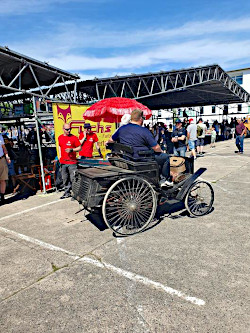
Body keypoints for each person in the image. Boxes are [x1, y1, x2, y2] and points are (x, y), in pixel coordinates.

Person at [106, 109, 173, 186]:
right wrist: (160, 151)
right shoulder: (144, 131)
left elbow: (110, 140)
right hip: (141, 158)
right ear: (141, 119)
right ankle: (165, 180)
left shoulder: (121, 129)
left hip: (127, 158)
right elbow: (156, 147)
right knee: (165, 157)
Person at [58, 123, 81, 199]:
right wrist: (59, 156)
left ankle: (75, 194)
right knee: (65, 178)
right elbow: (59, 146)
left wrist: (72, 149)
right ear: (63, 129)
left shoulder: (74, 138)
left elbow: (79, 148)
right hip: (63, 162)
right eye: (67, 129)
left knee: (73, 179)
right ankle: (67, 192)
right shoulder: (60, 137)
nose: (69, 130)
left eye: (70, 129)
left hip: (72, 162)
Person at [0, 133, 11, 205]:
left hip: (1, 159)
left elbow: (4, 147)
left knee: (2, 179)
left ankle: (2, 197)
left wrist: (7, 156)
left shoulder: (0, 136)